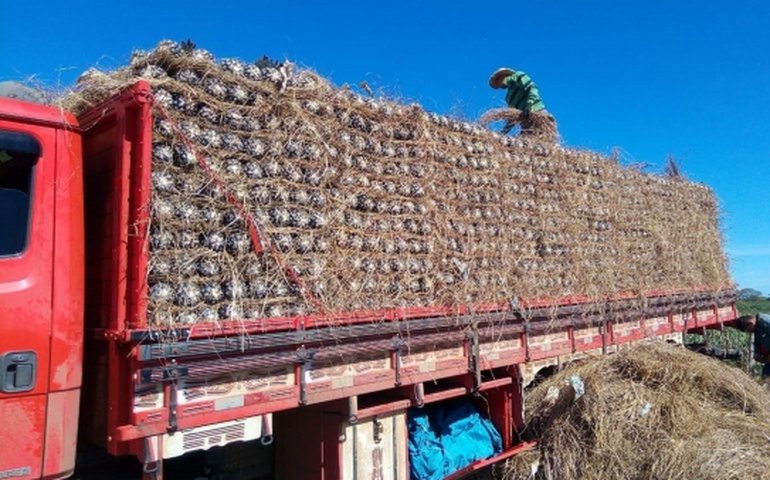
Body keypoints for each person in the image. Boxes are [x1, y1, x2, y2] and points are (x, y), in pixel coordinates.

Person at [488, 67, 556, 138]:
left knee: (545, 136)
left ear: (502, 77)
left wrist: (529, 105)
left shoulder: (517, 76)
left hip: (537, 112)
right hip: (526, 123)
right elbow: (513, 116)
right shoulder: (508, 97)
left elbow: (532, 88)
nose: (499, 85)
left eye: (498, 81)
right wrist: (505, 131)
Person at [736, 313, 770, 385]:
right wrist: (757, 353)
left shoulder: (766, 323)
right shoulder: (757, 327)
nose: (749, 332)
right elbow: (757, 341)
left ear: (750, 324)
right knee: (765, 378)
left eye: (748, 330)